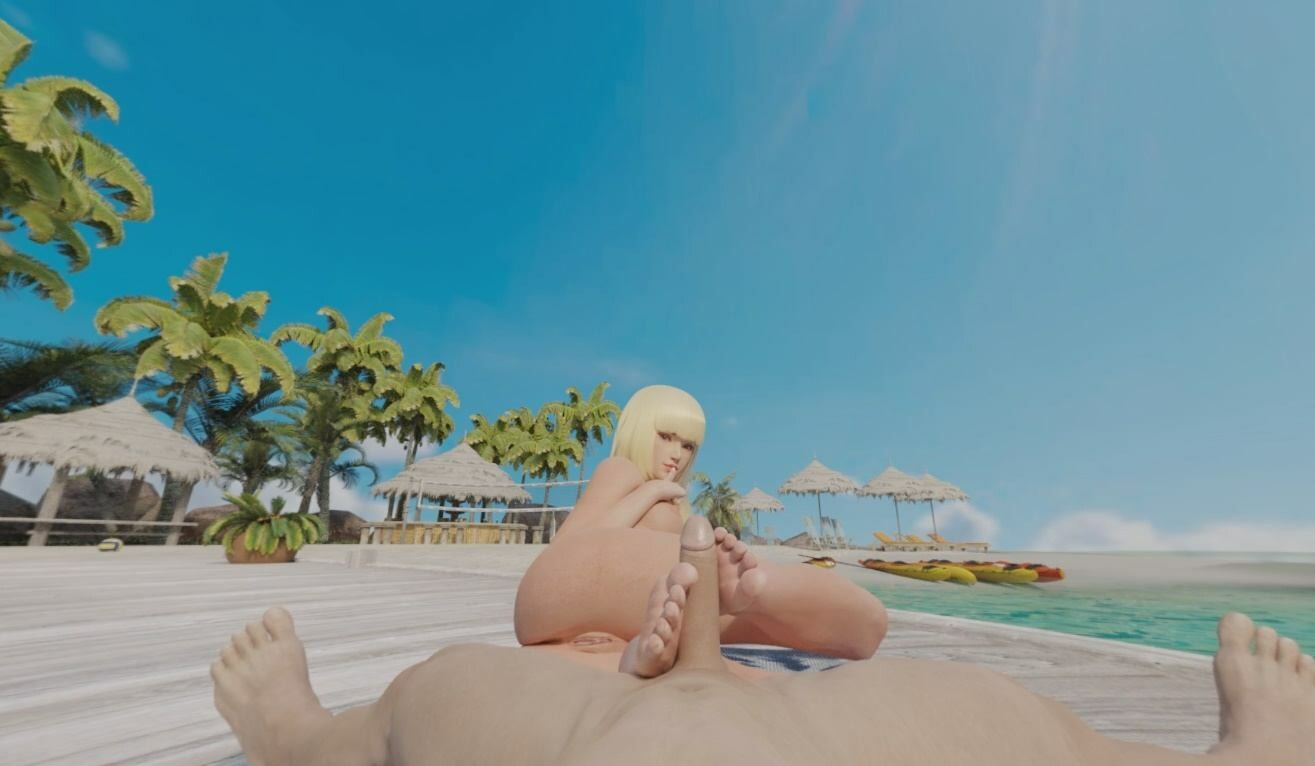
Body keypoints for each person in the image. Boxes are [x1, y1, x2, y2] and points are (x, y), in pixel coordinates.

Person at [212, 515, 1315, 766]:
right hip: (731, 705)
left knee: (426, 695)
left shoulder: (642, 525)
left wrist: (711, 614)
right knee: (1019, 725)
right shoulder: (618, 503)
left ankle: (292, 734)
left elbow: (860, 629)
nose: (675, 460)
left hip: (611, 712)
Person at [513, 384, 887, 676]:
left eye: (688, 445)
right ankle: (748, 592)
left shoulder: (673, 504)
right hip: (560, 593)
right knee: (749, 594)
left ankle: (639, 654)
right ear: (638, 430)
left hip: (608, 626)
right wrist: (650, 492)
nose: (677, 454)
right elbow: (565, 552)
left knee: (831, 626)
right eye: (665, 436)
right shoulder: (621, 471)